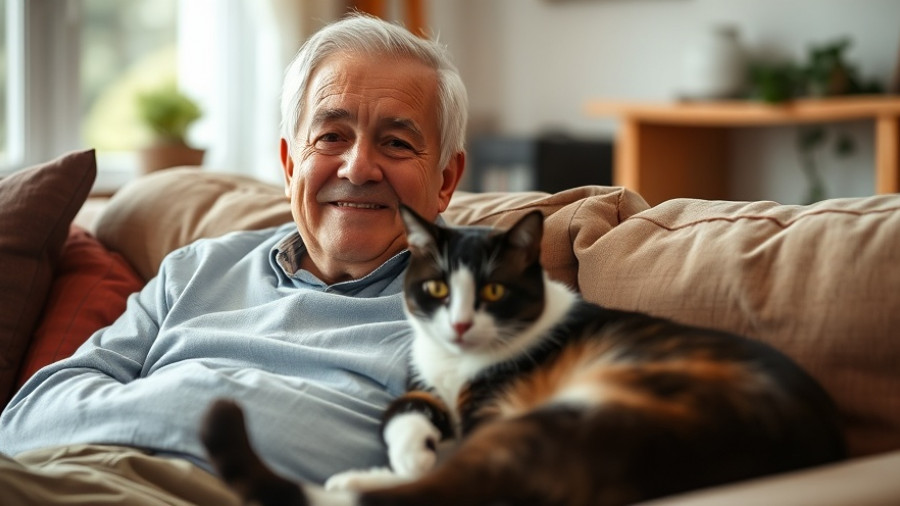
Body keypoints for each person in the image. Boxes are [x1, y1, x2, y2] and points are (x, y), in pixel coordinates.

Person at [0, 13, 467, 504]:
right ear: (289, 164)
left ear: (445, 180)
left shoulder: (479, 314)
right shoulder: (195, 268)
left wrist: (173, 401)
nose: (358, 167)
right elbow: (26, 418)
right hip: (59, 476)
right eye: (331, 136)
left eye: (396, 142)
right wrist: (195, 410)